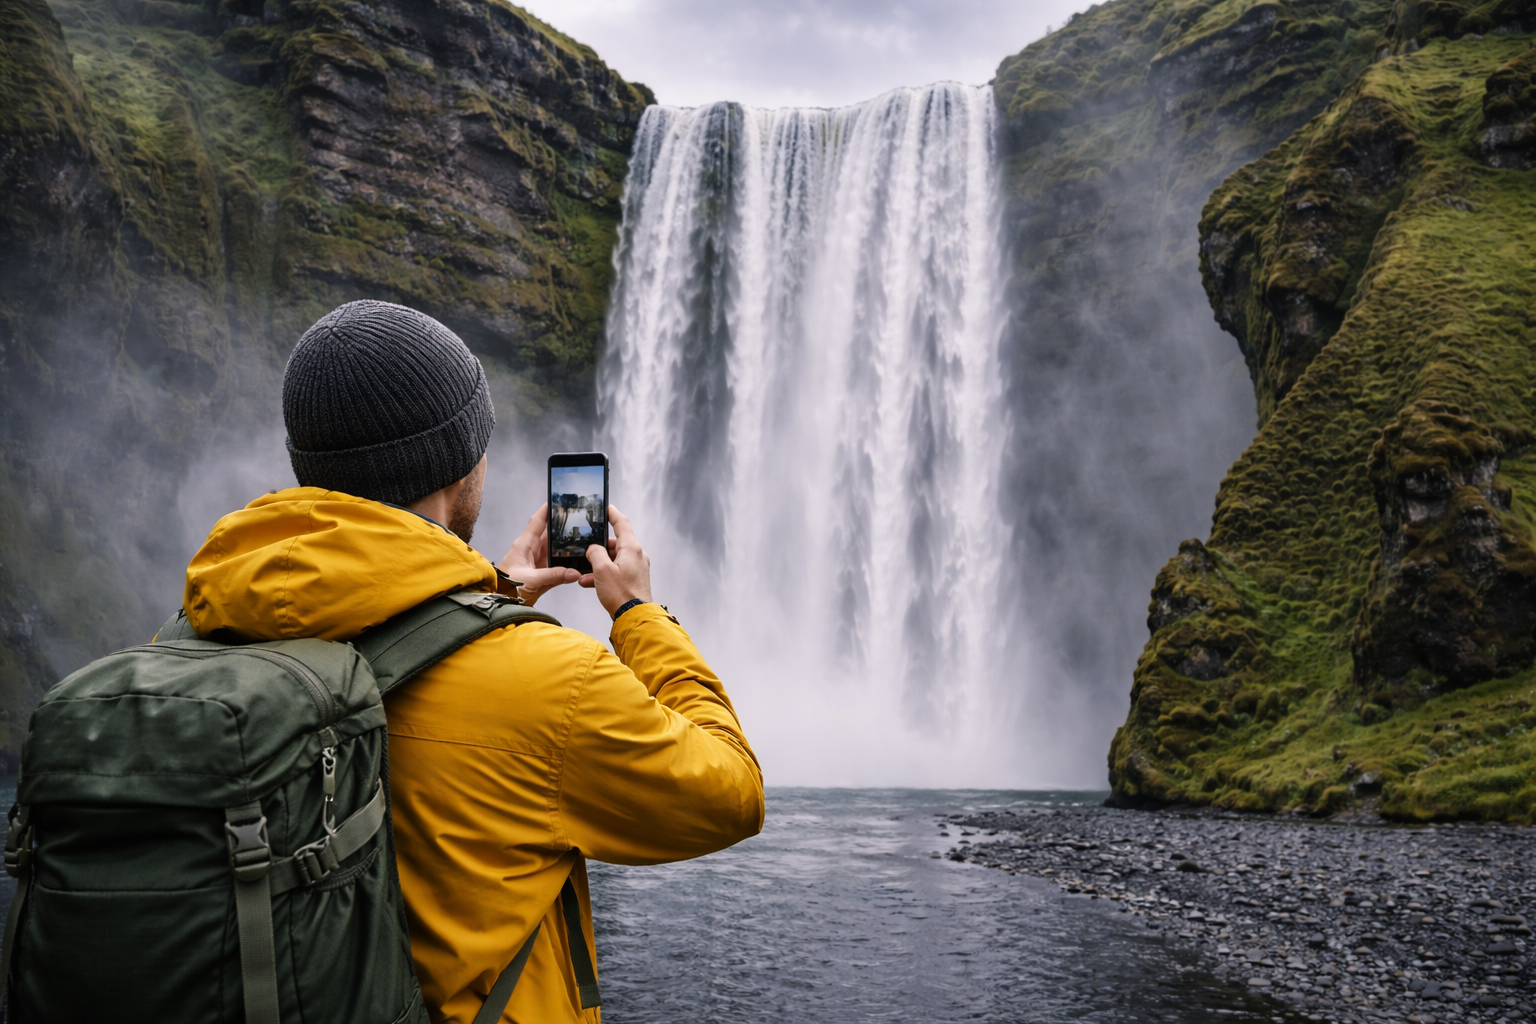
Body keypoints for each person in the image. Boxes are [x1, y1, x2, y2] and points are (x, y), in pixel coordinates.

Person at [182, 300, 764, 1023]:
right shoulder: (552, 681)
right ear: (460, 467)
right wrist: (639, 614)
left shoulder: (201, 634)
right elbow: (731, 794)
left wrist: (488, 592)